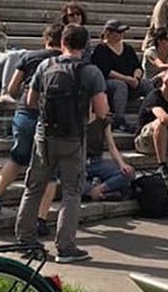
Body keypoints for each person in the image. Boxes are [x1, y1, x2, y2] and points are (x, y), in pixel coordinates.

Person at [15, 24, 108, 264]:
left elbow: (31, 100)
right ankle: (65, 248)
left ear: (62, 42)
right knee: (71, 192)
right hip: (73, 139)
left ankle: (25, 240)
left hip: (44, 137)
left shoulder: (46, 65)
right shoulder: (91, 72)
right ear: (85, 45)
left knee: (33, 188)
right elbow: (102, 109)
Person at [0, 24, 63, 235]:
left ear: (45, 39)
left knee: (17, 157)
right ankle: (40, 219)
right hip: (51, 119)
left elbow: (11, 88)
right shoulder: (65, 62)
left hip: (24, 114)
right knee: (51, 171)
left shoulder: (29, 57)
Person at [90, 19, 151, 133]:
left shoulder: (127, 48)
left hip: (131, 82)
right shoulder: (101, 49)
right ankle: (119, 120)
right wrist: (126, 79)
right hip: (110, 85)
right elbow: (106, 71)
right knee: (120, 85)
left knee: (147, 85)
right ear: (109, 33)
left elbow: (137, 66)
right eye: (118, 32)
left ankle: (149, 115)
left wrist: (136, 77)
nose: (121, 35)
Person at [83, 116, 135, 201]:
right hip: (77, 163)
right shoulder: (74, 118)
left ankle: (97, 190)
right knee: (73, 184)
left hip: (96, 162)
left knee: (129, 173)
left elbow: (112, 146)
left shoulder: (104, 121)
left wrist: (122, 164)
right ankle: (103, 193)